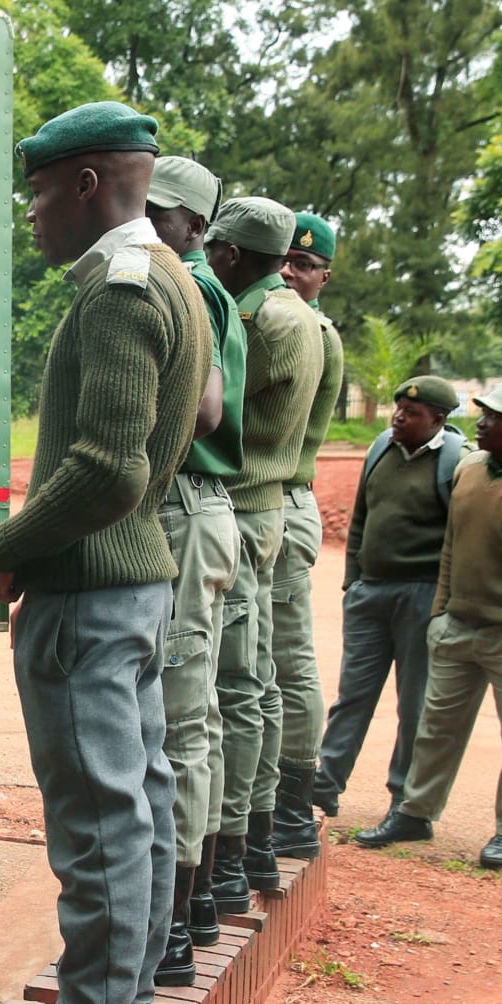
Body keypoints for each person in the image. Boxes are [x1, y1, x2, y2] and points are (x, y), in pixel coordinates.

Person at [0, 102, 211, 1004]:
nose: (35, 214)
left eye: (43, 192)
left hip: (89, 598)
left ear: (92, 183)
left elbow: (108, 467)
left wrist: (7, 546)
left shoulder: (117, 291)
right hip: (134, 587)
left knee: (100, 837)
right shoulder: (173, 281)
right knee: (135, 814)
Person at [357, 382, 502, 869]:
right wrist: (441, 611)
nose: (481, 423)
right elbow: (452, 546)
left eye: (494, 417)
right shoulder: (468, 468)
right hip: (457, 628)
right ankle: (415, 813)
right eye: (482, 413)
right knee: (435, 729)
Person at [141, 155, 246, 984]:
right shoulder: (206, 284)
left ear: (198, 227)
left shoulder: (194, 288)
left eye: (164, 212)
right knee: (197, 713)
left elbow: (203, 409)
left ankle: (174, 925)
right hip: (204, 505)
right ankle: (196, 901)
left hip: (185, 500)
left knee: (180, 721)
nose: (151, 221)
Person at [201, 198, 322, 915]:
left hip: (246, 504)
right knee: (258, 683)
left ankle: (236, 849)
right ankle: (254, 841)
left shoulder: (263, 319)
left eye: (217, 249)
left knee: (235, 688)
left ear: (235, 253)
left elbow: (218, 407)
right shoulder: (296, 314)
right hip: (266, 505)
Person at [314, 377, 464, 827]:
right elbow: (362, 515)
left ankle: (405, 799)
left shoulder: (457, 462)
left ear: (437, 420)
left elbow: (462, 537)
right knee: (352, 695)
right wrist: (352, 580)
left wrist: (444, 601)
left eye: (411, 413)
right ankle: (326, 783)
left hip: (422, 595)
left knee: (414, 702)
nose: (399, 416)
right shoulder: (382, 446)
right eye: (398, 408)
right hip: (370, 593)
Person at [267, 212, 347, 857]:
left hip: (285, 499)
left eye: (305, 264)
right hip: (279, 503)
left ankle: (293, 806)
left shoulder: (305, 331)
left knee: (287, 659)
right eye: (284, 259)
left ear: (326, 276)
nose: (291, 271)